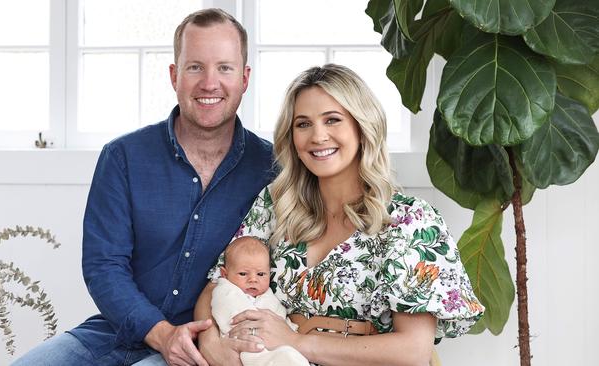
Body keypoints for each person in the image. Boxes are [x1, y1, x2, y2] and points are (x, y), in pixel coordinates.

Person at [12, 8, 273, 366]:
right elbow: (104, 266)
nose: (210, 83)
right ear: (174, 75)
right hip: (116, 330)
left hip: (208, 344)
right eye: (195, 66)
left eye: (224, 68)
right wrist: (162, 333)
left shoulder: (271, 169)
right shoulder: (123, 157)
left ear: (244, 78)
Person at [195, 64, 485, 366]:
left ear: (362, 127)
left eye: (332, 120)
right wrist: (211, 343)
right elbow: (219, 282)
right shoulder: (276, 204)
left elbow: (412, 350)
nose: (318, 136)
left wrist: (297, 342)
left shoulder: (410, 221)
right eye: (303, 124)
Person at [212, 236, 309, 366]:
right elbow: (229, 315)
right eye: (243, 274)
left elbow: (279, 318)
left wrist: (290, 329)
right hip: (241, 344)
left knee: (289, 355)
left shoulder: (268, 296)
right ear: (225, 274)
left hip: (274, 344)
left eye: (261, 274)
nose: (253, 280)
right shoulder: (225, 291)